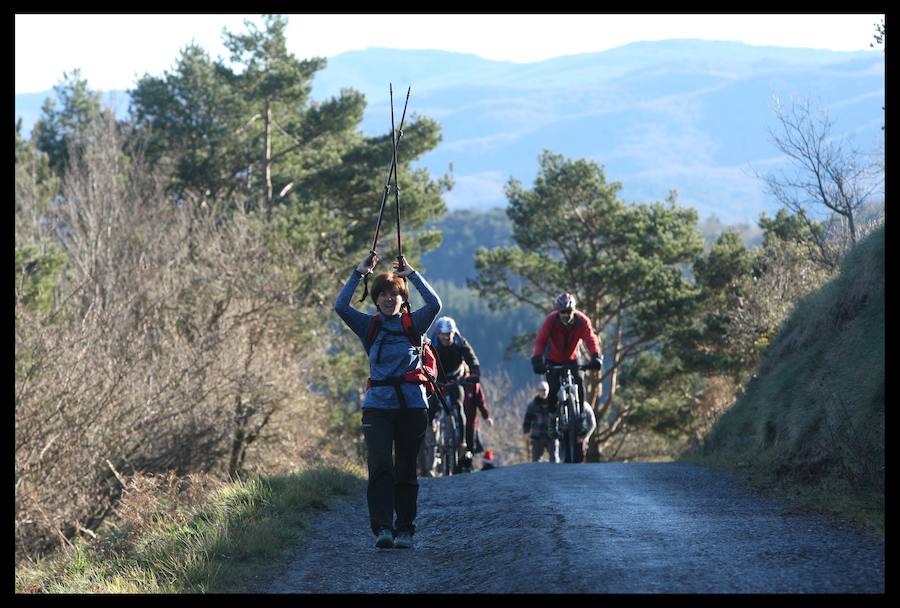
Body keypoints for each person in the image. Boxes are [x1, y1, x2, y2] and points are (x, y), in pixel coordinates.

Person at [334, 252, 441, 549]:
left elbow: (435, 304)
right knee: (380, 465)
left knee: (406, 468)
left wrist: (412, 274)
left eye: (393, 294)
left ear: (401, 298)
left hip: (411, 406)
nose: (388, 298)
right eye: (382, 294)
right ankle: (383, 528)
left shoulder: (414, 324)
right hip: (378, 406)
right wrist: (359, 272)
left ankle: (405, 528)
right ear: (376, 299)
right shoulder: (369, 326)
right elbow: (340, 306)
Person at [531, 292, 603, 462]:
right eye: (562, 312)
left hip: (572, 358)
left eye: (568, 312)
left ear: (573, 310)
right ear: (558, 311)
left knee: (579, 384)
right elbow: (540, 340)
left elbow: (590, 338)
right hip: (552, 358)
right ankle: (552, 422)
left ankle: (581, 420)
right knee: (553, 389)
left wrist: (596, 356)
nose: (565, 315)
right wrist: (537, 359)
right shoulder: (550, 321)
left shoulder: (582, 321)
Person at [429, 316, 492, 472]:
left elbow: (471, 358)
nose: (446, 337)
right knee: (431, 409)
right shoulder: (431, 344)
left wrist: (475, 372)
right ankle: (429, 440)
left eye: (449, 334)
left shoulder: (460, 342)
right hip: (438, 380)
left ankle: (463, 443)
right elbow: (423, 360)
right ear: (437, 334)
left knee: (458, 407)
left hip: (456, 379)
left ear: (454, 332)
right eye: (443, 334)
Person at [522, 380, 559, 463]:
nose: (543, 392)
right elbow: (527, 420)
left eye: (545, 390)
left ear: (548, 390)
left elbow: (560, 417)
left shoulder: (554, 404)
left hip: (551, 435)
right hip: (537, 436)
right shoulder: (533, 405)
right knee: (536, 461)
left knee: (554, 459)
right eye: (541, 390)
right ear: (538, 391)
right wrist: (526, 432)